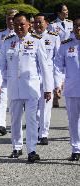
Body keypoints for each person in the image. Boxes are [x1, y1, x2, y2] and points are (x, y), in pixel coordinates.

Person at [0, 12, 52, 163]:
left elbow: (45, 67)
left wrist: (47, 88)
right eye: (16, 24)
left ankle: (32, 150)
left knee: (32, 120)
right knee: (15, 120)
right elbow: (0, 65)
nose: (19, 27)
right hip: (14, 87)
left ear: (29, 25)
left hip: (31, 88)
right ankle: (16, 147)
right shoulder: (7, 42)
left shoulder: (37, 41)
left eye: (22, 24)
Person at [54, 17, 80, 161]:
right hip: (72, 89)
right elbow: (58, 66)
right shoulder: (65, 45)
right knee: (73, 121)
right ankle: (76, 149)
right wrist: (58, 84)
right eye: (76, 26)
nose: (78, 29)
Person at [33, 13, 61, 145]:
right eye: (35, 22)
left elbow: (58, 61)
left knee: (46, 107)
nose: (38, 25)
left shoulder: (54, 38)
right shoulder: (30, 38)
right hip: (33, 77)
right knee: (33, 107)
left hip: (47, 76)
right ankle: (38, 127)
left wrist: (58, 83)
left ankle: (43, 133)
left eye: (40, 22)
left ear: (46, 23)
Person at [0, 9, 18, 136]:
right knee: (2, 98)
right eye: (8, 18)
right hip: (2, 71)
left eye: (13, 18)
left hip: (16, 72)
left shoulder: (23, 34)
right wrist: (2, 57)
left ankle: (16, 123)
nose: (11, 21)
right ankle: (1, 124)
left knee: (15, 99)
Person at [49, 3, 73, 108]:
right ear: (59, 13)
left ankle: (69, 97)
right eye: (64, 10)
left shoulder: (71, 23)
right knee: (57, 74)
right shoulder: (52, 25)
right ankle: (56, 96)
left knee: (69, 75)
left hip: (70, 52)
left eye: (67, 10)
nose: (67, 12)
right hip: (58, 53)